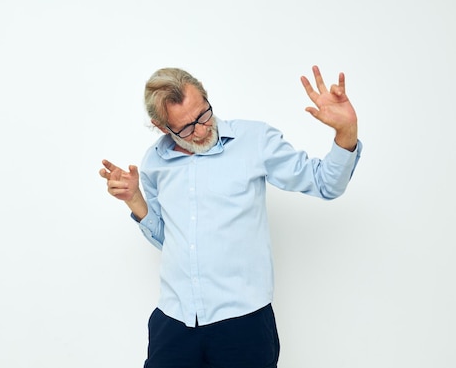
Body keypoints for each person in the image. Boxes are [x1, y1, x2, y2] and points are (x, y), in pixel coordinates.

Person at [99, 66, 361, 368]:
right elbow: (169, 240)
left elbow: (325, 184)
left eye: (204, 114)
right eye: (186, 128)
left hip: (242, 324)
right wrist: (134, 199)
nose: (201, 129)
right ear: (162, 128)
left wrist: (346, 132)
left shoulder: (255, 141)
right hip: (173, 321)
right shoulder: (154, 162)